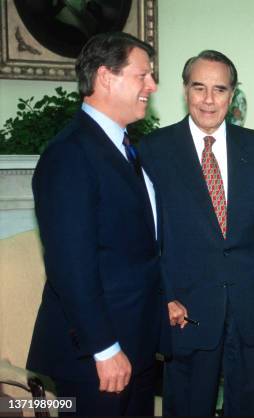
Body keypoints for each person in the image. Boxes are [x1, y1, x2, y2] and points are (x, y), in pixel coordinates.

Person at [138, 50, 254, 416]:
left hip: (251, 314)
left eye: (219, 89)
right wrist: (162, 296)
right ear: (185, 91)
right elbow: (144, 241)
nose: (209, 100)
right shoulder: (153, 151)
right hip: (186, 313)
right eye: (199, 88)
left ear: (232, 94)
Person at [26, 32, 161, 416]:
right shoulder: (69, 155)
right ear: (105, 77)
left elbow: (137, 247)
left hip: (135, 345)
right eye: (143, 75)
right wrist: (104, 348)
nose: (152, 85)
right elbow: (71, 267)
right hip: (96, 359)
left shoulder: (125, 147)